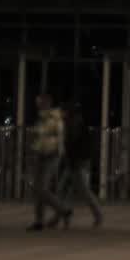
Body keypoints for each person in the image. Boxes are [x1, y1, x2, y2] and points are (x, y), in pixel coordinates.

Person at [52, 103, 103, 229]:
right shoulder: (74, 124)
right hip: (75, 162)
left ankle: (97, 215)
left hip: (77, 163)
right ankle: (62, 216)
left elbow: (72, 146)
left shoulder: (73, 125)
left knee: (79, 191)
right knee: (65, 190)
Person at [26, 94, 70, 231]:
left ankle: (63, 210)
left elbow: (56, 134)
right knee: (37, 189)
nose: (38, 105)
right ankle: (39, 220)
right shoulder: (42, 117)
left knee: (42, 188)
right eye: (37, 103)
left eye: (40, 102)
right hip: (41, 153)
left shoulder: (54, 117)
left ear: (47, 103)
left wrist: (38, 132)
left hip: (51, 154)